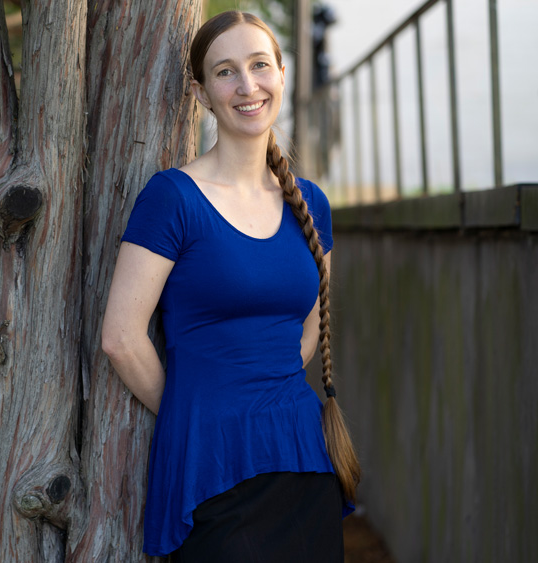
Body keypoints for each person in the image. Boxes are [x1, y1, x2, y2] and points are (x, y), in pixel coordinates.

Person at [101, 11, 360, 562]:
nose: (247, 86)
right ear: (201, 92)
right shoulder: (173, 198)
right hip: (212, 467)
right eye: (226, 72)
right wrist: (198, 412)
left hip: (302, 460)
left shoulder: (310, 203)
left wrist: (258, 400)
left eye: (259, 65)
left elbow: (310, 327)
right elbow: (121, 338)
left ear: (282, 75)